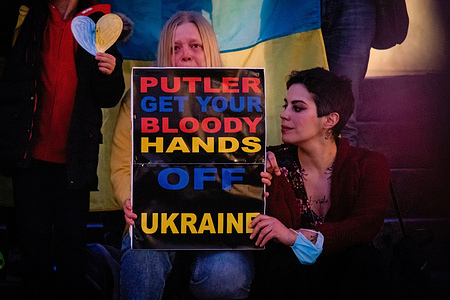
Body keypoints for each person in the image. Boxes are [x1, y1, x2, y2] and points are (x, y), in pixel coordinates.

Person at [110, 11, 254, 300]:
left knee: (226, 276)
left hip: (220, 225)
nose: (185, 54)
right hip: (156, 221)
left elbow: (250, 162)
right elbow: (121, 166)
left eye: (194, 46)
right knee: (143, 264)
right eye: (175, 48)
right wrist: (129, 198)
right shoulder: (140, 97)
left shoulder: (241, 96)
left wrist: (259, 175)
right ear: (165, 54)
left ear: (209, 49)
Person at [0, 0, 125, 299]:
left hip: (74, 161)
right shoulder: (29, 16)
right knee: (33, 249)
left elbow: (108, 97)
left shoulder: (98, 22)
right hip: (29, 158)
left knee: (72, 251)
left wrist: (109, 72)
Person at [248, 67, 390, 300]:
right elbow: (280, 233)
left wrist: (297, 237)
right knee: (285, 260)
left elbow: (366, 225)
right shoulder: (271, 161)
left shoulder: (369, 164)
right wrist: (272, 183)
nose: (284, 115)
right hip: (294, 280)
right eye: (286, 105)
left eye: (298, 108)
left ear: (330, 120)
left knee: (364, 258)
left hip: (346, 275)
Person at [321, 0, 377, 146]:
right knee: (294, 109)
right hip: (296, 8)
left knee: (344, 120)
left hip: (355, 4)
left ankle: (342, 167)